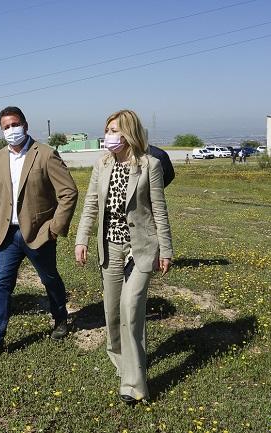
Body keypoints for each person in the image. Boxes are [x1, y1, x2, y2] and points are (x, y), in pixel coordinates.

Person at [74, 109, 173, 404]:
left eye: (114, 130)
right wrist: (82, 239)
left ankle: (134, 384)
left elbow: (159, 210)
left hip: (141, 248)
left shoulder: (149, 165)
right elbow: (91, 204)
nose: (109, 136)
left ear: (128, 133)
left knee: (131, 309)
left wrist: (166, 249)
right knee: (112, 312)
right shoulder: (102, 164)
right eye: (107, 130)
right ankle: (122, 363)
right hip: (111, 249)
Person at [0, 106, 78, 360]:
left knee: (49, 279)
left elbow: (68, 192)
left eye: (14, 125)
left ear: (25, 125)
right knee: (1, 283)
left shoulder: (46, 154)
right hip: (8, 235)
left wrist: (54, 228)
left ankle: (60, 318)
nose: (11, 130)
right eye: (6, 127)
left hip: (39, 234)